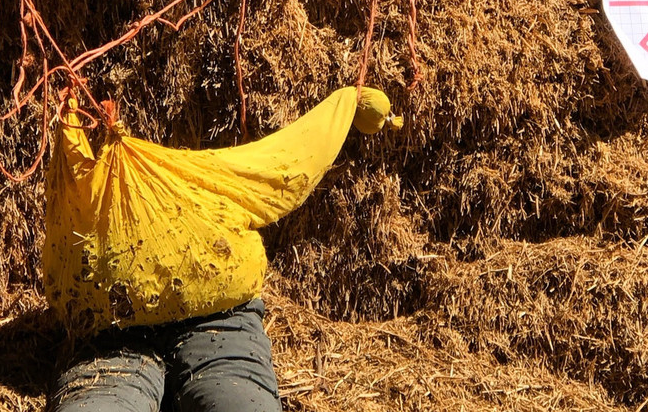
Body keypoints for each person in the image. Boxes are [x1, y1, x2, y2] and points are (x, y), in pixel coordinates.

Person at [44, 86, 400, 412]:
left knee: (241, 402)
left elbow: (286, 164)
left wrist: (347, 105)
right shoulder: (83, 164)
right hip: (110, 332)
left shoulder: (218, 163)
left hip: (220, 320)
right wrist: (348, 104)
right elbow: (289, 161)